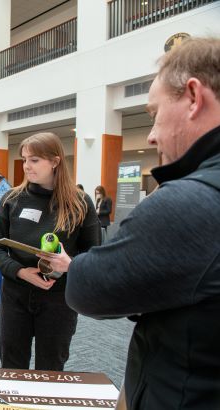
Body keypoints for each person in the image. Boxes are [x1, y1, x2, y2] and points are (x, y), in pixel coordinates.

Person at [64, 37, 220, 409]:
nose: (150, 134)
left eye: (153, 113)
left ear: (194, 97)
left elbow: (86, 286)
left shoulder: (191, 200)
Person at [0, 132, 100, 371]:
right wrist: (20, 272)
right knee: (12, 365)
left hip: (58, 299)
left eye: (34, 160)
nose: (27, 166)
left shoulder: (80, 203)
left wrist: (68, 263)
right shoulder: (12, 199)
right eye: (25, 159)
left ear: (55, 161)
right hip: (16, 294)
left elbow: (94, 257)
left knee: (51, 368)